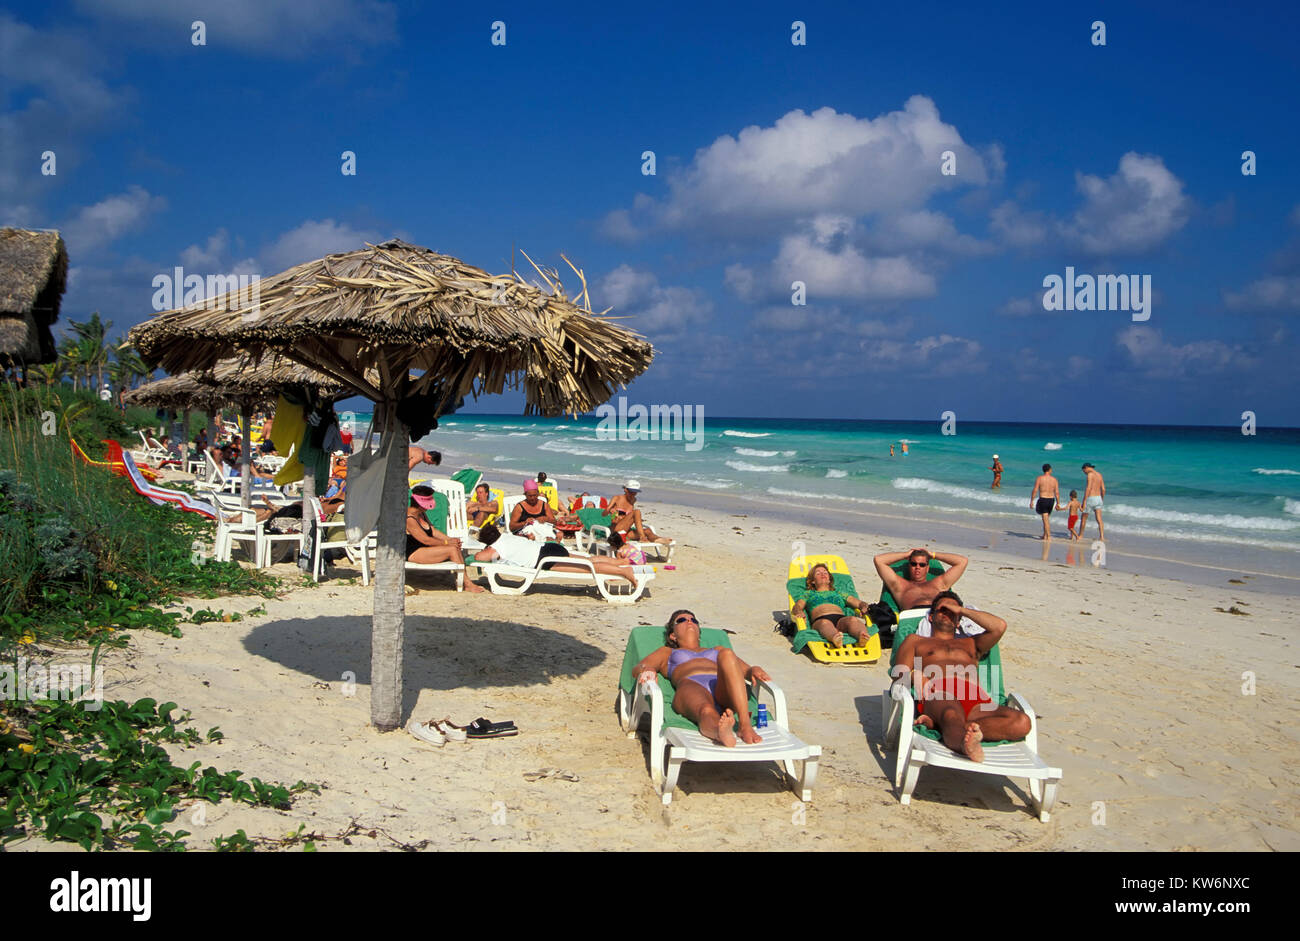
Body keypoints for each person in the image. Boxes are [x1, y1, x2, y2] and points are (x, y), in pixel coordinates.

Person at [890, 592, 1031, 762]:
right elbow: (898, 674)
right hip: (939, 695)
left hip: (976, 700)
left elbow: (999, 626)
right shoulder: (916, 641)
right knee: (951, 714)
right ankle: (965, 745)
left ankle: (964, 731)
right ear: (931, 617)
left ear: (958, 621)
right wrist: (915, 675)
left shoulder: (972, 643)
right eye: (942, 609)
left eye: (952, 612)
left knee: (1021, 721)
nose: (947, 613)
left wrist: (961, 610)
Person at [631, 610, 770, 747]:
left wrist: (753, 669)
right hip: (691, 684)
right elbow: (639, 667)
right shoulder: (667, 652)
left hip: (720, 687)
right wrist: (647, 669)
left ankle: (744, 725)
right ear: (673, 635)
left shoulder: (718, 649)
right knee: (705, 710)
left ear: (699, 631)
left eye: (693, 620)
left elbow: (744, 670)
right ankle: (719, 731)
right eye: (681, 620)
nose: (689, 621)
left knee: (727, 653)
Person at [473, 523, 638, 586]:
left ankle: (624, 571)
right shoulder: (506, 536)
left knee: (588, 568)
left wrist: (483, 549)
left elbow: (478, 558)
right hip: (549, 547)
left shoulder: (496, 547)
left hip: (545, 559)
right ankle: (619, 562)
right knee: (589, 559)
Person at [406, 486, 485, 592]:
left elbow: (433, 531)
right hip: (413, 553)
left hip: (424, 549)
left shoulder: (421, 514)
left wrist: (451, 540)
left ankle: (464, 581)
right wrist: (447, 542)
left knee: (455, 547)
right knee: (451, 549)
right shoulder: (409, 518)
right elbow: (426, 540)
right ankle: (467, 584)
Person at [790, 562, 873, 648]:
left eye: (825, 572)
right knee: (825, 623)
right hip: (820, 619)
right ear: (813, 581)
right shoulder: (808, 593)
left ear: (829, 579)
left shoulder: (838, 592)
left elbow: (858, 602)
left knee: (852, 620)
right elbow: (798, 606)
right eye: (818, 573)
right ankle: (835, 637)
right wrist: (799, 611)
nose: (822, 574)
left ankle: (862, 635)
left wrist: (863, 606)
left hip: (840, 619)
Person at [873, 547, 969, 610]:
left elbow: (962, 561)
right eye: (914, 564)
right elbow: (879, 560)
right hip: (913, 619)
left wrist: (933, 555)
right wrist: (906, 555)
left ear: (927, 568)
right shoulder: (900, 586)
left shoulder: (939, 584)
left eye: (922, 565)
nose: (917, 567)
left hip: (937, 617)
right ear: (909, 565)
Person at [603, 479, 671, 545]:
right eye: (631, 492)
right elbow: (604, 514)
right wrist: (610, 510)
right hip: (616, 531)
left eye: (635, 492)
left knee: (647, 530)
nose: (633, 494)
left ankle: (659, 539)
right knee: (637, 511)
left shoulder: (633, 500)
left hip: (626, 531)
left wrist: (636, 519)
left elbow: (629, 516)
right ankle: (642, 538)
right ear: (625, 489)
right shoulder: (617, 498)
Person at [1030, 463, 1060, 540]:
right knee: (1046, 518)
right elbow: (1057, 492)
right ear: (1049, 470)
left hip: (1043, 499)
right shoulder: (1054, 480)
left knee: (1045, 519)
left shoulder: (1040, 478)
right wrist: (1058, 503)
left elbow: (1035, 490)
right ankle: (1045, 535)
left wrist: (1032, 501)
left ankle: (1048, 536)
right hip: (1051, 500)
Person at [1077, 462, 1106, 541]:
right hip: (1098, 498)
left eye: (1084, 471)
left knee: (1084, 518)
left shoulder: (1090, 475)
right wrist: (1101, 499)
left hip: (1091, 498)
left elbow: (1088, 488)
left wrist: (1084, 500)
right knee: (1099, 519)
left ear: (1086, 468)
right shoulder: (1099, 475)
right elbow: (1103, 489)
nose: (1085, 473)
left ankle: (1080, 535)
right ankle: (1102, 536)